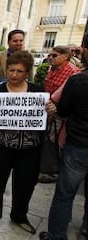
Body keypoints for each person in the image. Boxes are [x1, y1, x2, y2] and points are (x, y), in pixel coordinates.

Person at [0, 51, 44, 233]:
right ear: (6, 70)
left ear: (27, 73)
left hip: (29, 148)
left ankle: (19, 216)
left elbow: (46, 120)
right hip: (0, 146)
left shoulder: (37, 91)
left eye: (19, 71)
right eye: (11, 70)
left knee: (25, 183)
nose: (14, 75)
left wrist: (51, 110)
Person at [39, 33, 88, 240]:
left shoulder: (78, 80)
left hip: (78, 146)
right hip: (78, 145)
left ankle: (56, 239)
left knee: (65, 194)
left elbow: (64, 110)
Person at [39, 46, 80, 183]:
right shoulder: (52, 69)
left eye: (54, 55)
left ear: (65, 57)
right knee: (48, 139)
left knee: (55, 141)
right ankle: (47, 167)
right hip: (47, 110)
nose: (50, 58)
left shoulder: (73, 73)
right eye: (50, 55)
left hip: (60, 113)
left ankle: (53, 170)